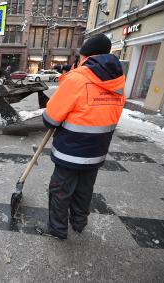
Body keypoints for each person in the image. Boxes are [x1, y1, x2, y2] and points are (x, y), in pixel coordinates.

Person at [40, 34, 126, 240]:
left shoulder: (77, 78)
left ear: (84, 55)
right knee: (85, 189)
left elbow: (50, 118)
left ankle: (57, 230)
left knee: (60, 190)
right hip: (97, 151)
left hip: (71, 151)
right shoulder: (117, 79)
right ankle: (79, 223)